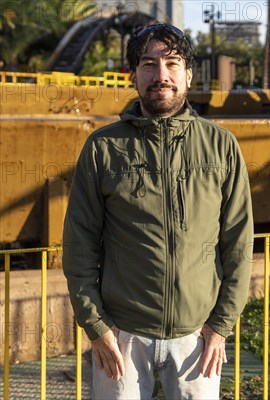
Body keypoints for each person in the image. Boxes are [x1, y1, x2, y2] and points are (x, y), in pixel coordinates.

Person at [62, 22, 253, 399]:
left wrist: (220, 326)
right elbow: (79, 243)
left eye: (172, 63)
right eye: (149, 64)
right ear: (132, 76)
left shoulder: (221, 147)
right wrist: (96, 326)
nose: (161, 75)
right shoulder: (103, 148)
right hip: (122, 337)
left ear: (189, 74)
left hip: (197, 338)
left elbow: (239, 243)